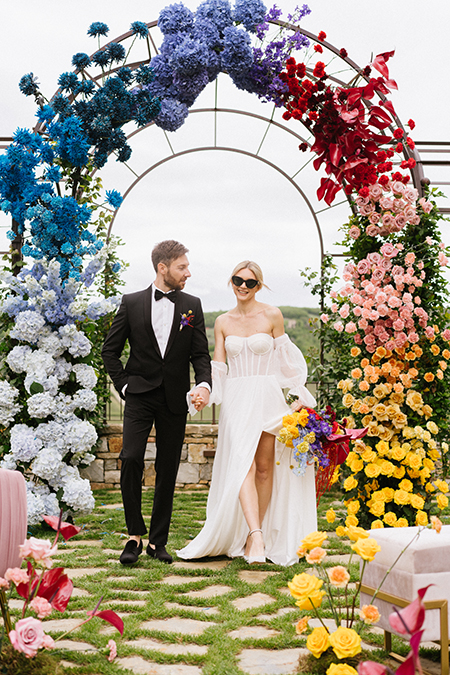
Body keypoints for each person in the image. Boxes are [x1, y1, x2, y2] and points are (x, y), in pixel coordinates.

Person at [177, 261, 317, 566]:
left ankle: (259, 531)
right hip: (238, 399)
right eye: (238, 280)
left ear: (259, 286)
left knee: (265, 468)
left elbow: (286, 361)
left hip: (267, 397)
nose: (243, 286)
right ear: (231, 281)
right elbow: (219, 368)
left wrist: (298, 396)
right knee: (243, 466)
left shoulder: (272, 315)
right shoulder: (223, 322)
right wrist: (206, 392)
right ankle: (255, 535)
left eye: (250, 283)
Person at [102, 240, 212, 565]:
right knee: (131, 457)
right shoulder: (132, 302)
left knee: (168, 467)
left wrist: (204, 384)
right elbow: (110, 350)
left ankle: (157, 542)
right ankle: (133, 535)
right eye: (182, 267)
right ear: (162, 268)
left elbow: (200, 354)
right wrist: (123, 386)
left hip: (174, 398)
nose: (188, 273)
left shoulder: (192, 305)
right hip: (138, 395)